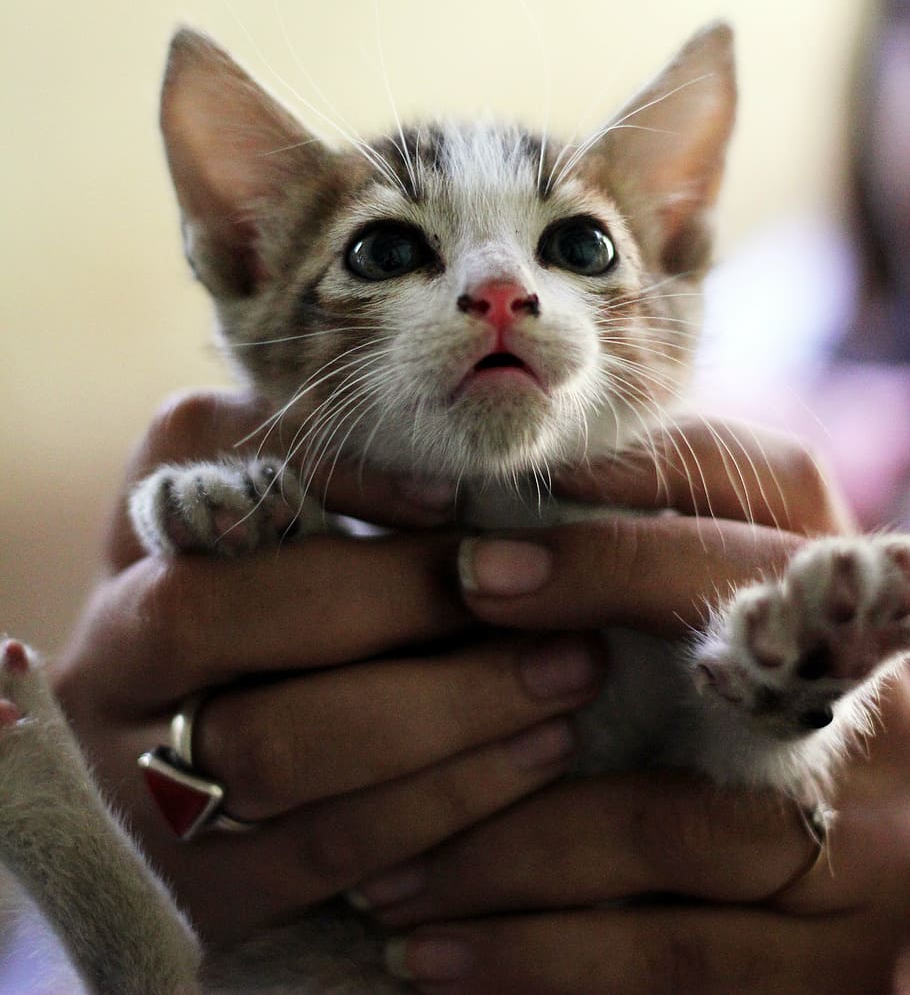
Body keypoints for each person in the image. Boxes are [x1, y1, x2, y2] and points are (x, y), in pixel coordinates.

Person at [45, 387, 910, 993]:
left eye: (579, 249)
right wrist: (117, 794)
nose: (500, 297)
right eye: (386, 253)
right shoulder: (780, 313)